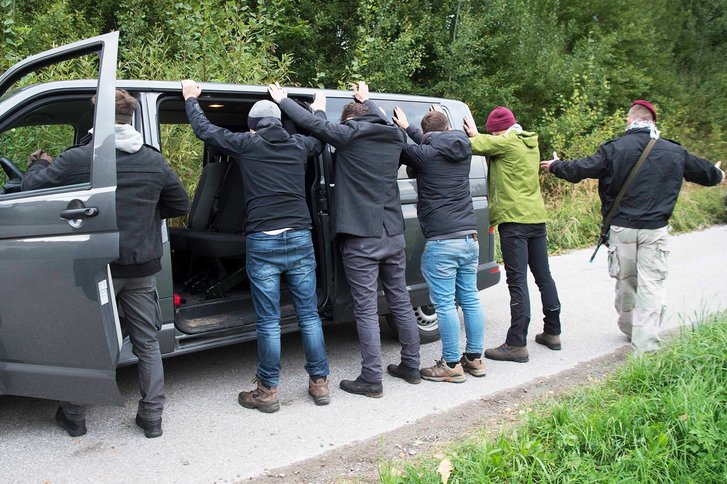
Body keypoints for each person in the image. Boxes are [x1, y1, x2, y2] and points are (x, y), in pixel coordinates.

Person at [22, 89, 190, 438]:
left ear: (98, 120)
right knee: (147, 342)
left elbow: (32, 189)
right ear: (129, 118)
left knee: (86, 341)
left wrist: (39, 163)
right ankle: (152, 417)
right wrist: (146, 216)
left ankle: (74, 415)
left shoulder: (80, 158)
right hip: (141, 267)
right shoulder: (152, 160)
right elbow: (180, 204)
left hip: (97, 269)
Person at [180, 80, 331, 413]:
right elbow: (321, 137)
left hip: (264, 239)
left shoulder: (247, 145)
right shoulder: (298, 146)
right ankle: (319, 383)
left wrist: (191, 99)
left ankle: (268, 391)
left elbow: (205, 130)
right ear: (278, 123)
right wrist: (317, 108)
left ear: (251, 127)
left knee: (269, 320)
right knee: (308, 315)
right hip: (300, 237)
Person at [268, 81, 420, 398]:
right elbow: (375, 118)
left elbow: (314, 123)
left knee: (365, 310)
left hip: (361, 237)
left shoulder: (349, 136)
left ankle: (372, 379)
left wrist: (283, 101)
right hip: (392, 232)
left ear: (347, 121)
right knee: (400, 301)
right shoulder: (395, 135)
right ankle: (412, 366)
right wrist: (370, 101)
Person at [541, 100, 726, 352]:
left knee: (625, 281)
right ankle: (645, 345)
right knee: (651, 284)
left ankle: (630, 329)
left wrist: (555, 166)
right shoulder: (674, 151)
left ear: (629, 120)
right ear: (653, 122)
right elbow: (706, 174)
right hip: (655, 230)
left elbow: (581, 169)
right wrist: (719, 174)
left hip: (622, 230)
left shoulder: (614, 148)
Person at [393, 105, 486, 382]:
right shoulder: (464, 147)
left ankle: (451, 365)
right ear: (447, 128)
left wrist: (403, 127)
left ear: (425, 132)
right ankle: (475, 358)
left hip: (443, 241)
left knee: (444, 304)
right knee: (469, 299)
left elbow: (404, 146)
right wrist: (418, 128)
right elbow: (432, 140)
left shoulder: (424, 154)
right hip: (470, 238)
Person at [464, 107, 562, 363]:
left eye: (493, 131)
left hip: (514, 220)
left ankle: (516, 343)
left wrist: (475, 135)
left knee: (517, 281)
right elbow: (491, 143)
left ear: (500, 130)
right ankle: (553, 331)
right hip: (535, 217)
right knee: (543, 276)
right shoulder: (528, 143)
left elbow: (479, 144)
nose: (493, 134)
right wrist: (482, 135)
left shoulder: (506, 142)